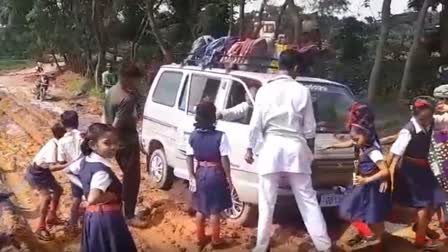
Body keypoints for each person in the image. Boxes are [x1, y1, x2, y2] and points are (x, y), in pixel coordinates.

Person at [245, 49, 332, 252]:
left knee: (266, 202)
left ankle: (261, 246)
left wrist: (250, 148)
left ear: (279, 65)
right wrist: (310, 153)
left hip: (271, 148)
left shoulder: (265, 90)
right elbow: (310, 127)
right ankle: (324, 246)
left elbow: (255, 125)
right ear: (294, 68)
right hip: (295, 148)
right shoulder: (302, 91)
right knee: (308, 201)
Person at [388, 98, 448, 249]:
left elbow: (443, 120)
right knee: (424, 205)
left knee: (437, 198)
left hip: (424, 168)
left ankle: (421, 228)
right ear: (417, 115)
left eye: (430, 117)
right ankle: (420, 240)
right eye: (425, 118)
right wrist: (386, 174)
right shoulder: (407, 131)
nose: (428, 121)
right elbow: (393, 154)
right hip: (411, 170)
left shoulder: (432, 121)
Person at [329, 103, 391, 250]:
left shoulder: (372, 151)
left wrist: (366, 179)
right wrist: (333, 146)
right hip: (362, 183)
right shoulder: (363, 142)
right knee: (363, 214)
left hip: (369, 185)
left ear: (366, 135)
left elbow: (385, 171)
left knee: (365, 215)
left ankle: (372, 239)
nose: (354, 142)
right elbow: (351, 142)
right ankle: (372, 238)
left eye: (356, 139)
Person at [68, 123, 137, 252]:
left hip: (93, 217)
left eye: (116, 143)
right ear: (93, 145)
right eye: (107, 143)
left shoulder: (85, 160)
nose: (114, 147)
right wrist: (113, 195)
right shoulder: (102, 171)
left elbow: (69, 172)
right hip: (107, 220)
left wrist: (84, 187)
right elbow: (93, 198)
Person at [104, 62, 145, 228]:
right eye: (136, 80)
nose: (137, 83)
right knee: (132, 178)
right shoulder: (127, 99)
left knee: (127, 176)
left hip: (119, 141)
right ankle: (128, 215)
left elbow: (107, 116)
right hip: (126, 141)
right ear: (129, 78)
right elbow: (117, 124)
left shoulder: (113, 90)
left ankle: (124, 208)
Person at [186, 101, 233, 250]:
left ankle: (200, 238)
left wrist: (191, 175)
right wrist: (229, 177)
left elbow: (189, 156)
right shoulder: (221, 136)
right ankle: (216, 240)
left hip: (200, 173)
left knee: (200, 208)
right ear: (213, 117)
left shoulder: (192, 136)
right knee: (214, 209)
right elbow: (224, 159)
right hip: (216, 173)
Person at [25, 123, 67, 241]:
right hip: (36, 173)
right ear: (63, 135)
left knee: (58, 190)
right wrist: (69, 164)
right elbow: (52, 167)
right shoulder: (53, 147)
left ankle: (52, 216)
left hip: (42, 171)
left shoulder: (56, 142)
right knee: (46, 197)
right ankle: (40, 227)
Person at [58, 111, 84, 233]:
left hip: (74, 172)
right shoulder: (84, 136)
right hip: (87, 169)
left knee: (76, 198)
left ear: (63, 125)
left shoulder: (61, 142)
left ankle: (73, 224)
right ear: (77, 122)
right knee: (93, 196)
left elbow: (61, 160)